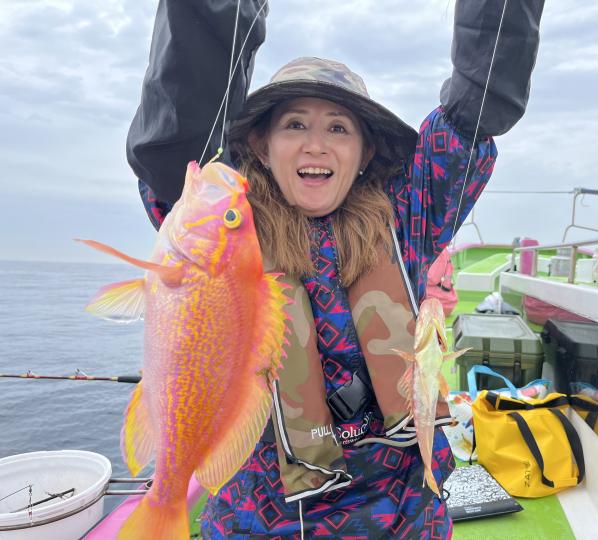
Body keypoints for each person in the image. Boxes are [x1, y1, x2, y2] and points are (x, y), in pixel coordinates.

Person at [127, 1, 544, 537]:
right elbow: (175, 135)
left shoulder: (409, 216)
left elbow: (475, 113)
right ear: (261, 145)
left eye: (339, 128)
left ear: (365, 151)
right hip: (261, 519)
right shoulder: (223, 218)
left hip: (403, 514)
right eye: (294, 124)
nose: (316, 144)